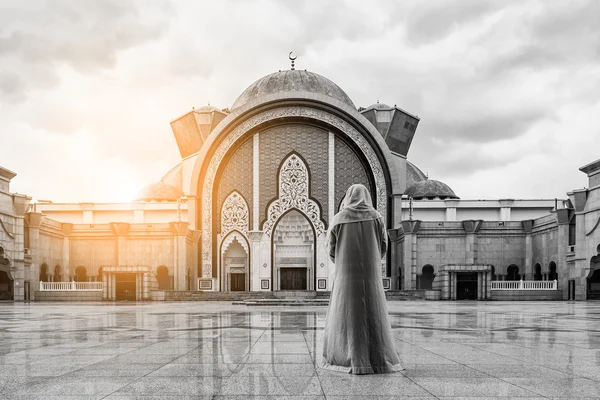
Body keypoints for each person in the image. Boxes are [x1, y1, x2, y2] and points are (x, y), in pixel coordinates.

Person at [321, 184, 403, 374]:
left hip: (346, 277)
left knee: (347, 314)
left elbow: (330, 249)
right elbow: (383, 245)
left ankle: (347, 357)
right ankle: (376, 360)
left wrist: (341, 259)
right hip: (370, 275)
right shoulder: (377, 218)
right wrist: (371, 260)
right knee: (372, 315)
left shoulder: (339, 218)